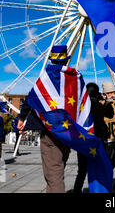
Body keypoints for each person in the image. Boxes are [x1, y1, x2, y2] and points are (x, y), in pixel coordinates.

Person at [17, 45, 71, 193]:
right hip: (68, 130)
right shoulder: (74, 79)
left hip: (49, 130)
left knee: (54, 173)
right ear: (67, 60)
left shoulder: (45, 79)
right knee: (57, 169)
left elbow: (31, 99)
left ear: (51, 60)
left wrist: (22, 118)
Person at [73, 82, 114, 193]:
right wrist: (105, 101)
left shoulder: (80, 107)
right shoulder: (98, 106)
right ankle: (99, 189)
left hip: (83, 142)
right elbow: (111, 114)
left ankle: (77, 190)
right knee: (99, 168)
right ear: (97, 94)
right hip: (97, 141)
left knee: (81, 171)